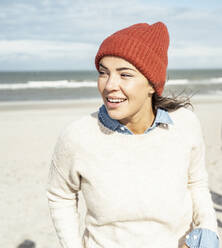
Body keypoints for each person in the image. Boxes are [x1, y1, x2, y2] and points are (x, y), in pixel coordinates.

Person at [46, 21, 220, 248]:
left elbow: (196, 182)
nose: (109, 85)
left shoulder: (185, 124)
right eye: (103, 73)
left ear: (152, 85)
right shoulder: (77, 136)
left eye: (125, 74)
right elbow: (60, 195)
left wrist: (208, 228)